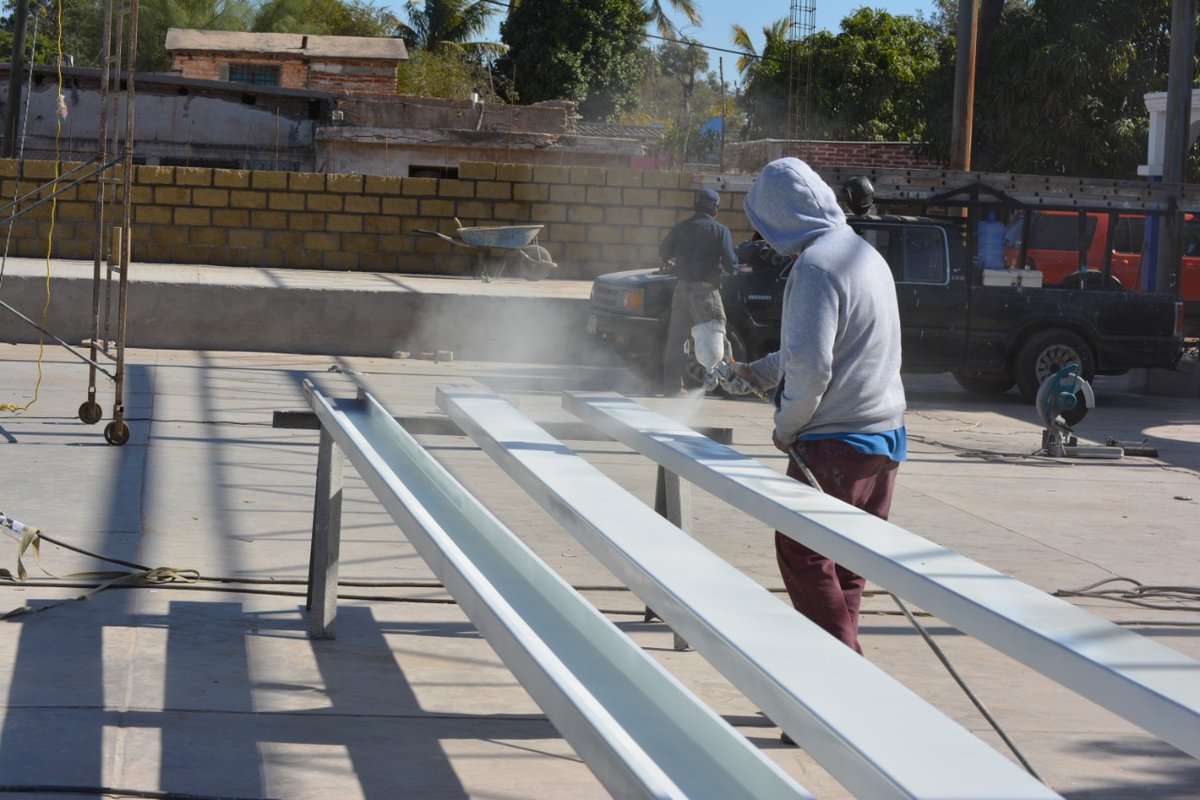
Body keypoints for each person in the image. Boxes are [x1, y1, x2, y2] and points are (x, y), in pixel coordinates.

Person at [734, 157, 907, 656]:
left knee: (804, 554)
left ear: (779, 217)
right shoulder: (861, 254)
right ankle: (842, 680)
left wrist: (786, 425)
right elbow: (816, 350)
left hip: (837, 445)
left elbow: (811, 370)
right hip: (884, 439)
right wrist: (757, 372)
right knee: (847, 563)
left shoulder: (814, 268)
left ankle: (842, 677)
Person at [658, 188, 737, 395]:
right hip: (705, 293)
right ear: (715, 210)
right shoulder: (720, 231)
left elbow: (664, 251)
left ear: (696, 206)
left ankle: (672, 388)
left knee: (677, 341)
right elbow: (731, 264)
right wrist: (735, 268)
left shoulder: (681, 228)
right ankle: (727, 385)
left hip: (681, 290)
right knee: (715, 336)